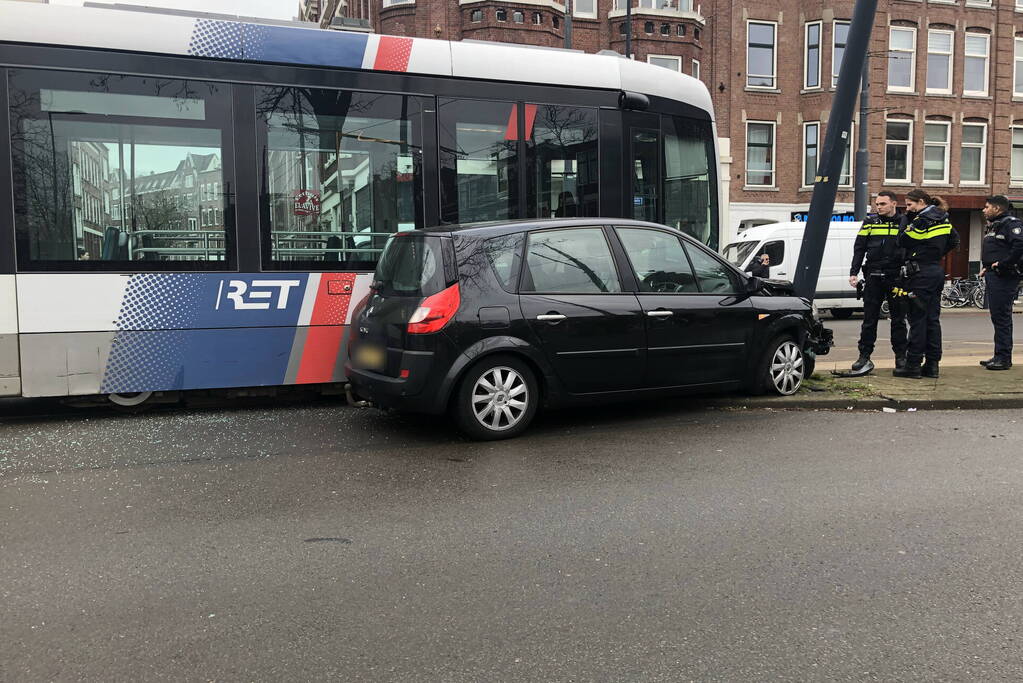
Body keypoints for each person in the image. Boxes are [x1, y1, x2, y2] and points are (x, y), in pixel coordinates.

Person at [893, 189, 959, 379]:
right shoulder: (943, 218)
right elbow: (955, 240)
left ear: (921, 202)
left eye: (910, 204)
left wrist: (908, 223)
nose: (908, 208)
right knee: (932, 319)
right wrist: (935, 253)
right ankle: (932, 365)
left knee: (917, 319)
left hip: (920, 273)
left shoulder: (921, 220)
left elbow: (903, 240)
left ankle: (913, 364)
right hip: (935, 270)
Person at [846, 191, 908, 374]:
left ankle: (901, 357)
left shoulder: (904, 222)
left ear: (894, 204)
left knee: (898, 320)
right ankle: (864, 356)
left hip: (896, 275)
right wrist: (853, 272)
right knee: (869, 320)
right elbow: (859, 248)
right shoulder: (870, 222)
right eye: (877, 204)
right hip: (873, 274)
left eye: (882, 204)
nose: (878, 207)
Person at [978, 195, 1023, 371]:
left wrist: (1003, 264)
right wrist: (987, 267)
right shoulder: (996, 225)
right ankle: (999, 355)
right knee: (997, 317)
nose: (984, 209)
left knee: (1002, 317)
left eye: (987, 206)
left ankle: (1003, 358)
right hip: (994, 274)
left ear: (997, 208)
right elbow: (997, 249)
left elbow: (1019, 245)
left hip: (1004, 276)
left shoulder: (1010, 223)